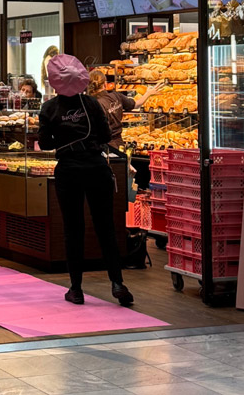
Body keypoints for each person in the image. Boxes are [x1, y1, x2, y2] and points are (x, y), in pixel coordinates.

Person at [38, 54, 134, 308]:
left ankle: (76, 289)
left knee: (73, 229)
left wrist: (63, 136)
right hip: (96, 167)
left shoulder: (49, 108)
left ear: (54, 81)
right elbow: (105, 135)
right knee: (105, 226)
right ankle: (117, 283)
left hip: (68, 171)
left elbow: (45, 143)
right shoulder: (91, 103)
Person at [88, 70, 165, 151]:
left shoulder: (91, 103)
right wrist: (148, 93)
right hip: (119, 143)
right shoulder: (116, 96)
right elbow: (136, 105)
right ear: (105, 84)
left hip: (102, 146)